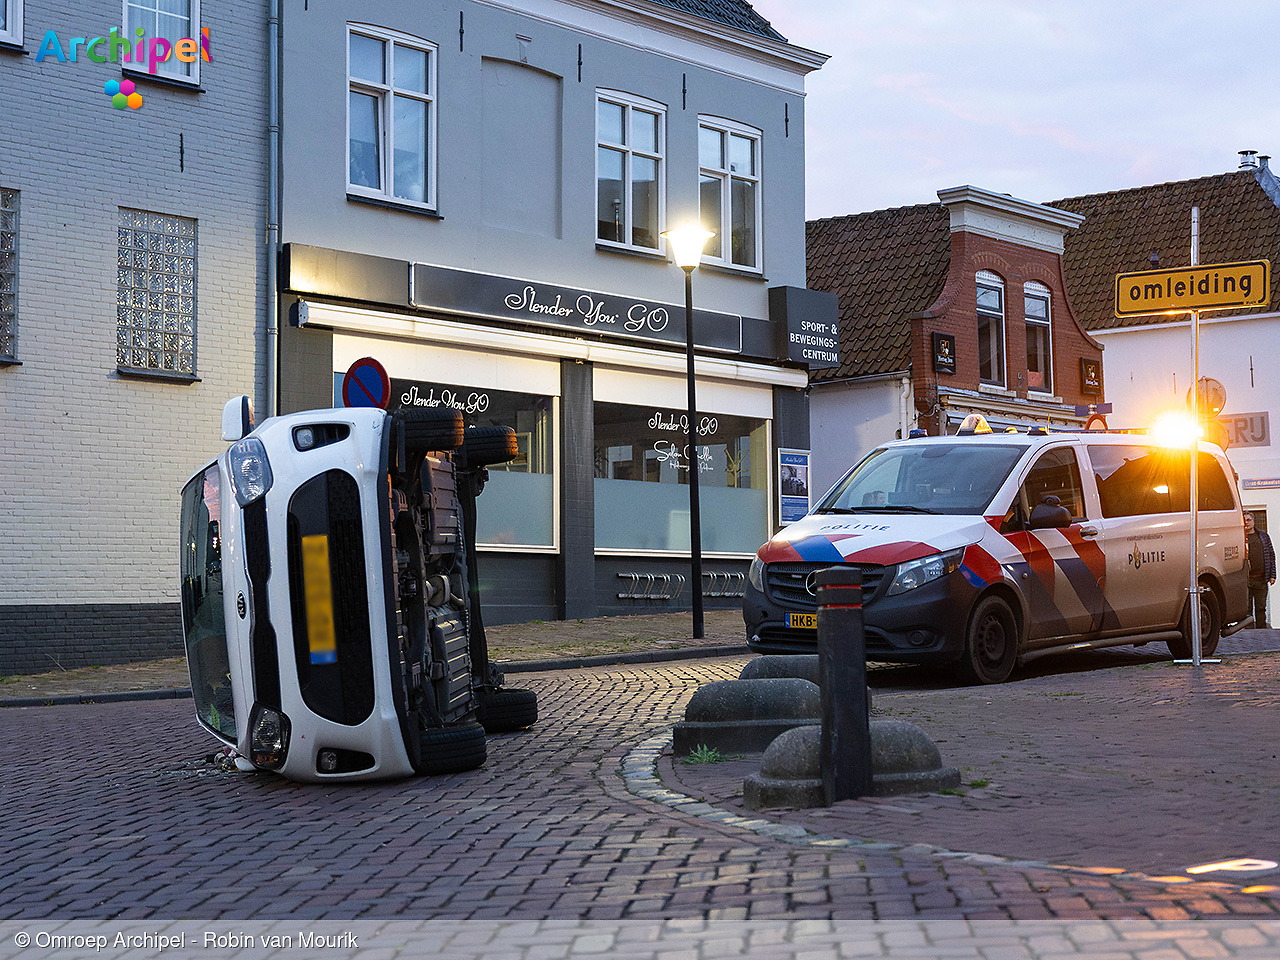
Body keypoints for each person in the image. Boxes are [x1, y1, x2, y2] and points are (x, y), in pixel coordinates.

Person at [1244, 513, 1275, 628]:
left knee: (1261, 608)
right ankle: (1249, 634)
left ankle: (1262, 632)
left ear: (1253, 521)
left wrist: (1272, 575)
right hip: (1245, 580)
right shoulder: (1239, 537)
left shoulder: (1263, 536)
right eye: (1244, 520)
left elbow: (1271, 555)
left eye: (1248, 520)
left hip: (1261, 578)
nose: (1246, 522)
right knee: (1246, 610)